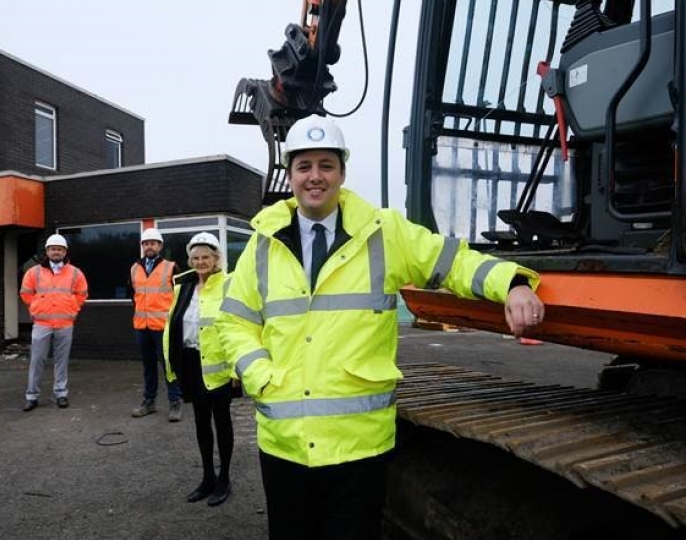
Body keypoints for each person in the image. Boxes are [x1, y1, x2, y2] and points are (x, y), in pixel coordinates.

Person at [216, 114, 545, 539]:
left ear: (342, 173)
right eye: (304, 166)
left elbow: (453, 261)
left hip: (358, 448)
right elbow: (234, 320)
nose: (315, 177)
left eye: (326, 165)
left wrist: (513, 284)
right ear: (290, 174)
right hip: (285, 445)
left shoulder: (384, 232)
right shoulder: (263, 243)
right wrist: (260, 375)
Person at [164, 233, 234, 506]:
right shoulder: (183, 286)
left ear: (217, 258)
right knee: (201, 423)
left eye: (206, 257)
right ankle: (207, 478)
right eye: (195, 257)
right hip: (192, 363)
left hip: (220, 366)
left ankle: (225, 478)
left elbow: (239, 325)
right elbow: (173, 325)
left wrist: (237, 369)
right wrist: (172, 366)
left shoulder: (230, 284)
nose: (201, 261)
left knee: (222, 422)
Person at [20, 233, 88, 411]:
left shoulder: (75, 273)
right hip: (42, 323)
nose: (56, 252)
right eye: (53, 249)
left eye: (59, 249)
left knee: (61, 360)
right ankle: (32, 395)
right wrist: (35, 307)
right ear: (47, 251)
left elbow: (82, 294)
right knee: (37, 359)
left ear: (65, 251)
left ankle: (61, 393)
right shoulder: (33, 272)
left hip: (65, 324)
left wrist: (73, 309)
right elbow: (25, 293)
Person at [130, 228, 182, 421]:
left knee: (169, 365)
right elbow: (133, 296)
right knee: (148, 366)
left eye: (153, 243)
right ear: (142, 246)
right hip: (142, 327)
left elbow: (180, 296)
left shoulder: (171, 267)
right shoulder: (134, 268)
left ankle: (175, 402)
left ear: (160, 246)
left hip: (163, 327)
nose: (149, 246)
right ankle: (149, 401)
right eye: (146, 243)